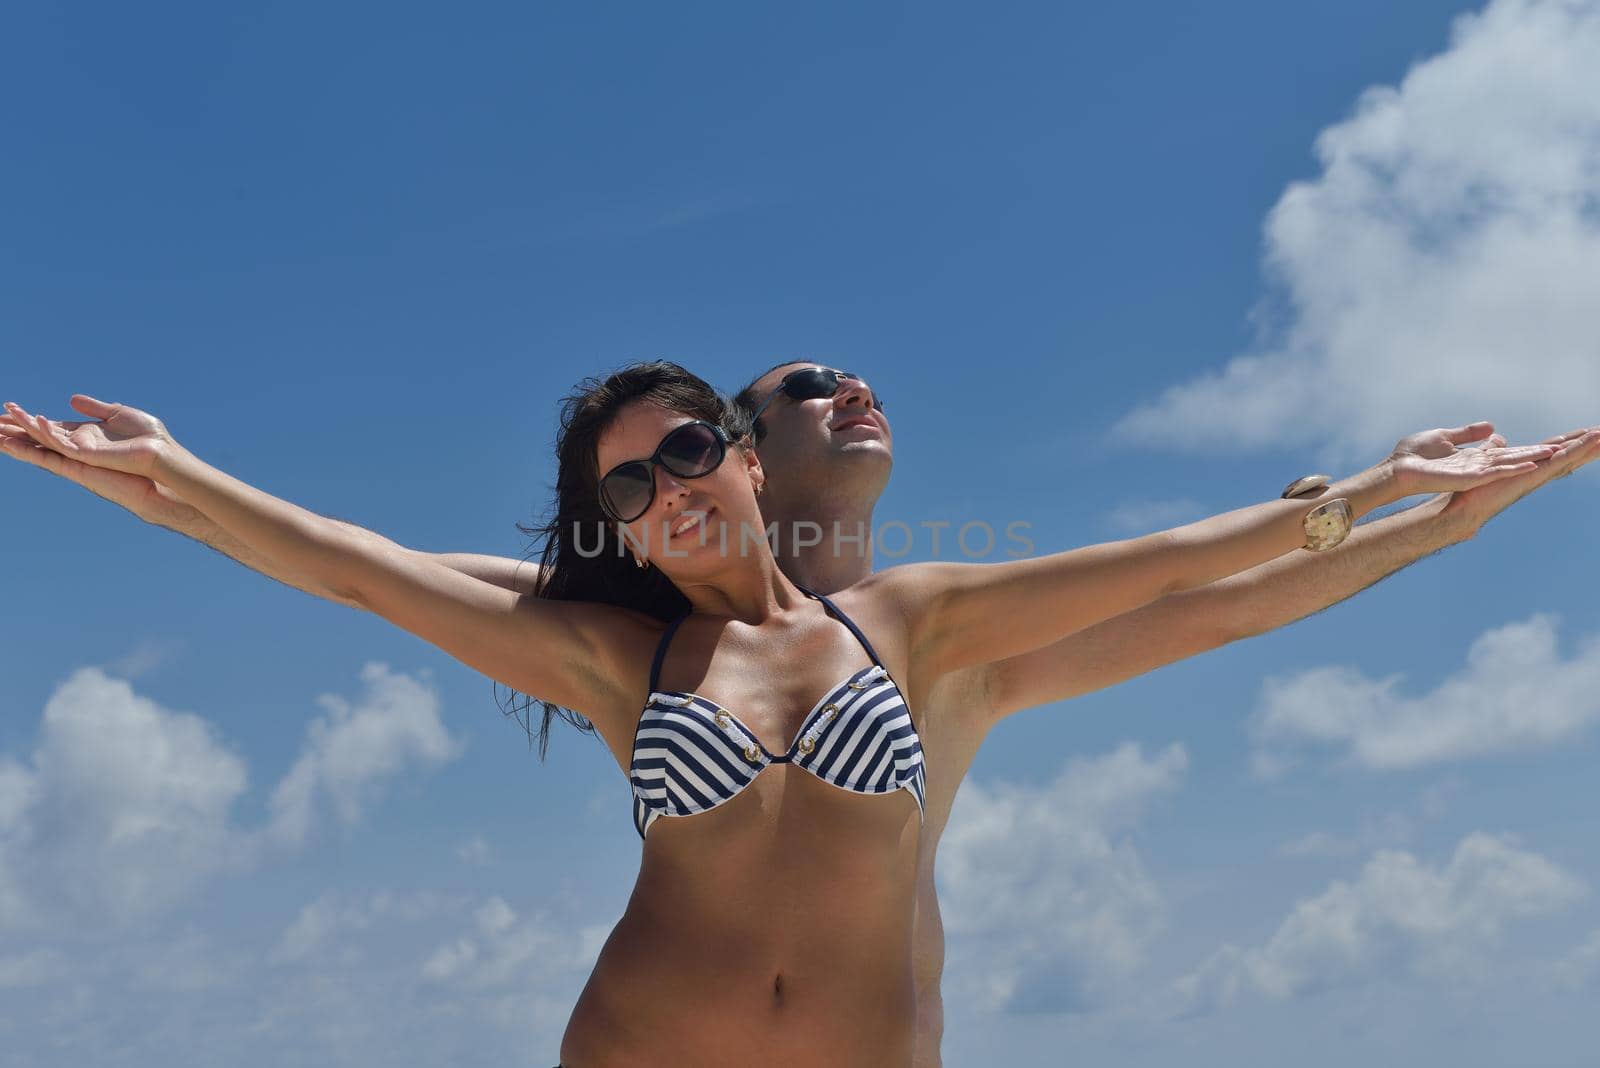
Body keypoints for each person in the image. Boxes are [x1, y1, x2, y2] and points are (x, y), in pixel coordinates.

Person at [0, 369, 1582, 1068]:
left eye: (686, 450)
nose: (667, 488)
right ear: (617, 528)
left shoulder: (921, 626)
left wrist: (1400, 502)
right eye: (628, 486)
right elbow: (356, 573)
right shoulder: (622, 664)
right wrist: (174, 479)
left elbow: (1181, 576)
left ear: (745, 461)